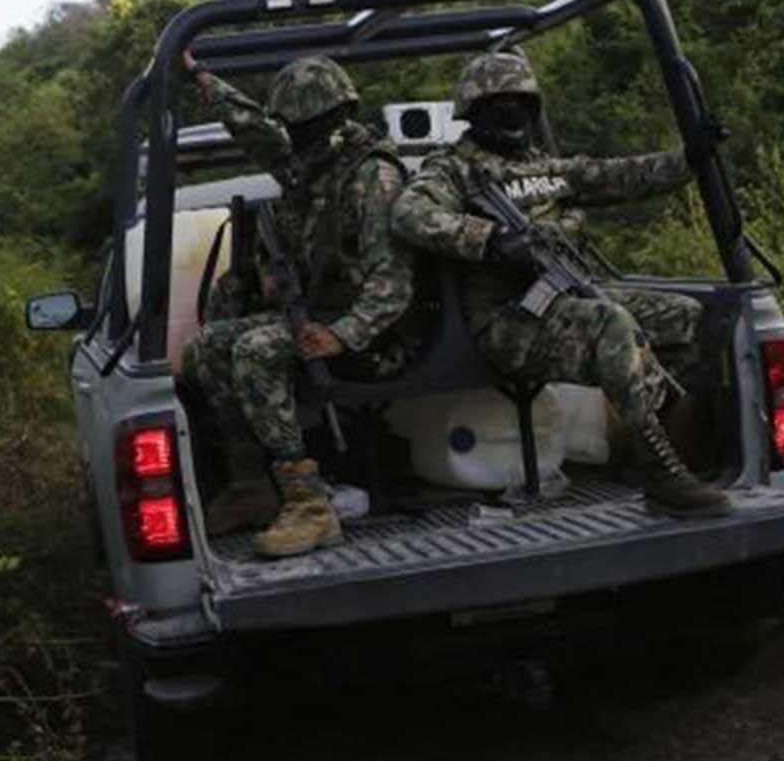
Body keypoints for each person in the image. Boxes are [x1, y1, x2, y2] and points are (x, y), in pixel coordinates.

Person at [391, 51, 731, 518]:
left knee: (682, 316)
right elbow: (410, 214)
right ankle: (662, 478)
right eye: (497, 104)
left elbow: (621, 176)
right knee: (610, 322)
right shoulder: (454, 171)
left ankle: (669, 450)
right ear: (472, 111)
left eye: (519, 102)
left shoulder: (547, 168)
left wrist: (689, 156)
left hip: (567, 296)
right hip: (509, 320)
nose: (510, 112)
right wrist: (492, 240)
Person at [178, 51, 416, 557]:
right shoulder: (311, 168)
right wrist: (203, 78)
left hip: (378, 337)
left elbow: (394, 281)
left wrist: (342, 333)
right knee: (207, 347)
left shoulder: (372, 177)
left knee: (254, 350)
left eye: (305, 126)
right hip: (323, 323)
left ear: (333, 120)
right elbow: (254, 129)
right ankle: (251, 485)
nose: (295, 137)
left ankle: (309, 505)